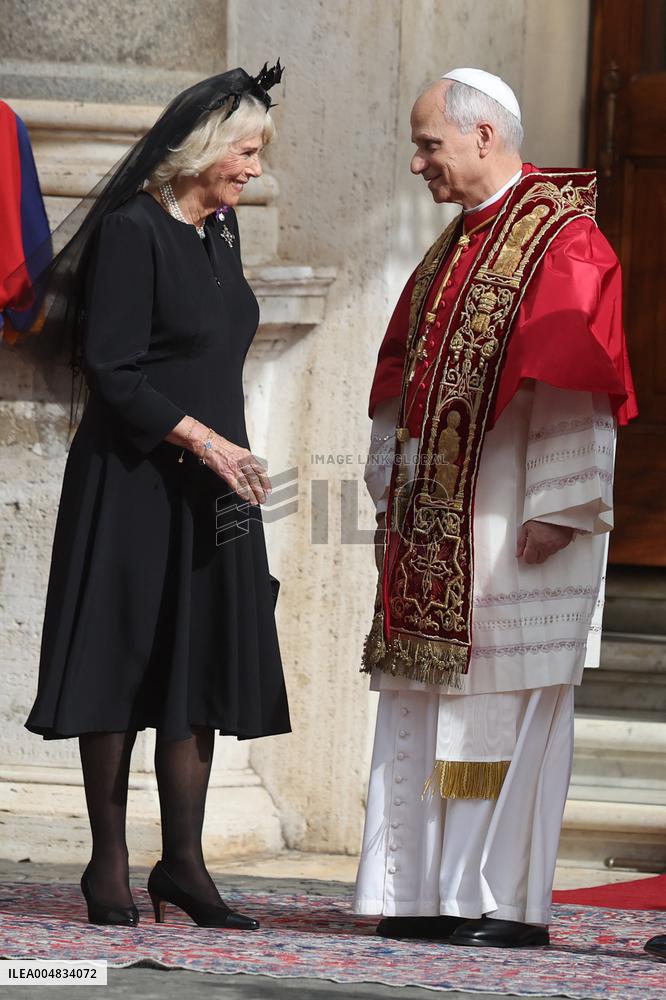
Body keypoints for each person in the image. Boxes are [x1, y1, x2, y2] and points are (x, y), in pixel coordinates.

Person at [354, 68, 637, 949]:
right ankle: (422, 894)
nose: (417, 164)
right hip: (440, 533)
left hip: (516, 524)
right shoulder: (451, 249)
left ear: (484, 136)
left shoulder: (564, 241)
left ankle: (502, 904)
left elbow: (578, 381)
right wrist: (392, 502)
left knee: (504, 710)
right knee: (426, 707)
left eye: (429, 144)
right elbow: (401, 387)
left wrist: (563, 503)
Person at [21, 64, 291, 929]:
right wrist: (206, 442)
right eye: (245, 151)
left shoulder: (225, 231)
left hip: (214, 487)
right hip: (135, 477)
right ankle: (108, 865)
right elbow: (113, 371)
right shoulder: (133, 231)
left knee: (196, 660)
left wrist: (227, 455)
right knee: (121, 659)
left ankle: (184, 865)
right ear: (204, 147)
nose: (253, 169)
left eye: (258, 153)